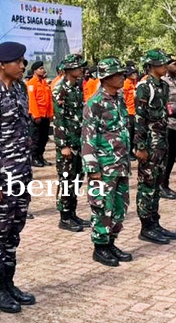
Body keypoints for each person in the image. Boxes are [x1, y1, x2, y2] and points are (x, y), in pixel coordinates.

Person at [0, 42, 35, 313]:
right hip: (2, 178)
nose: (23, 66)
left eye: (23, 61)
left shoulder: (21, 90)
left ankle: (9, 283)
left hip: (21, 174)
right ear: (2, 65)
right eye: (18, 62)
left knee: (14, 232)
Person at [83, 58, 133, 267]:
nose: (122, 78)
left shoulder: (118, 100)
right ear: (106, 78)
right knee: (102, 207)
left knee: (120, 207)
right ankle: (100, 247)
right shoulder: (94, 103)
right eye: (118, 74)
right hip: (103, 167)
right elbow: (88, 137)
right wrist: (92, 169)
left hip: (120, 164)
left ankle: (111, 242)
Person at [134, 50, 176, 245]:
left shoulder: (163, 85)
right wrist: (140, 146)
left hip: (161, 142)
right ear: (152, 66)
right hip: (149, 145)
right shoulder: (144, 87)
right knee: (147, 185)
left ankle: (154, 222)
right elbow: (139, 119)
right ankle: (146, 227)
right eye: (162, 64)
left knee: (157, 184)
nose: (165, 66)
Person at [52, 54, 87, 232]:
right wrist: (63, 145)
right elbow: (59, 120)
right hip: (67, 144)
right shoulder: (60, 89)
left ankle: (72, 213)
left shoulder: (77, 88)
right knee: (66, 179)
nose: (81, 69)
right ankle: (64, 217)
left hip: (78, 141)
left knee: (77, 178)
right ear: (68, 70)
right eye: (77, 67)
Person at [161, 55, 176, 199]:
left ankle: (166, 184)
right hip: (167, 123)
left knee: (172, 156)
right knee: (166, 156)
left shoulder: (175, 80)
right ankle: (161, 185)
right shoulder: (163, 81)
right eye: (175, 64)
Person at [26, 60, 53, 168]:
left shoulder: (44, 83)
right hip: (37, 116)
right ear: (34, 71)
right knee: (35, 138)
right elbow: (32, 100)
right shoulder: (31, 83)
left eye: (43, 68)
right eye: (40, 69)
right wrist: (36, 115)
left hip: (46, 115)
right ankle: (34, 158)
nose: (43, 70)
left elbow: (49, 100)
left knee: (44, 138)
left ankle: (40, 156)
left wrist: (51, 114)